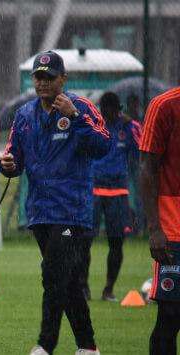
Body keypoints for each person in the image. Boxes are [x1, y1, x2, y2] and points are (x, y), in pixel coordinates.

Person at [0, 51, 110, 355]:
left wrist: (74, 117)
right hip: (40, 211)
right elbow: (14, 159)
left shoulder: (82, 108)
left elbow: (103, 146)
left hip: (72, 211)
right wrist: (7, 164)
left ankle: (45, 345)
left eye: (49, 77)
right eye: (38, 77)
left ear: (63, 79)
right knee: (69, 282)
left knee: (53, 275)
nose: (42, 82)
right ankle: (88, 346)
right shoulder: (24, 115)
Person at [80, 92, 141, 302]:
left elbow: (140, 157)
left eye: (113, 112)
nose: (109, 115)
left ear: (118, 109)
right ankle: (84, 287)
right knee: (84, 241)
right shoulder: (92, 125)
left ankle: (108, 289)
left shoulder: (129, 127)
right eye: (105, 111)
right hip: (93, 190)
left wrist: (136, 198)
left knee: (116, 242)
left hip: (118, 192)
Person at [140, 87, 180, 354]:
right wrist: (154, 228)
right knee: (170, 316)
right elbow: (147, 167)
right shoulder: (164, 105)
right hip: (173, 229)